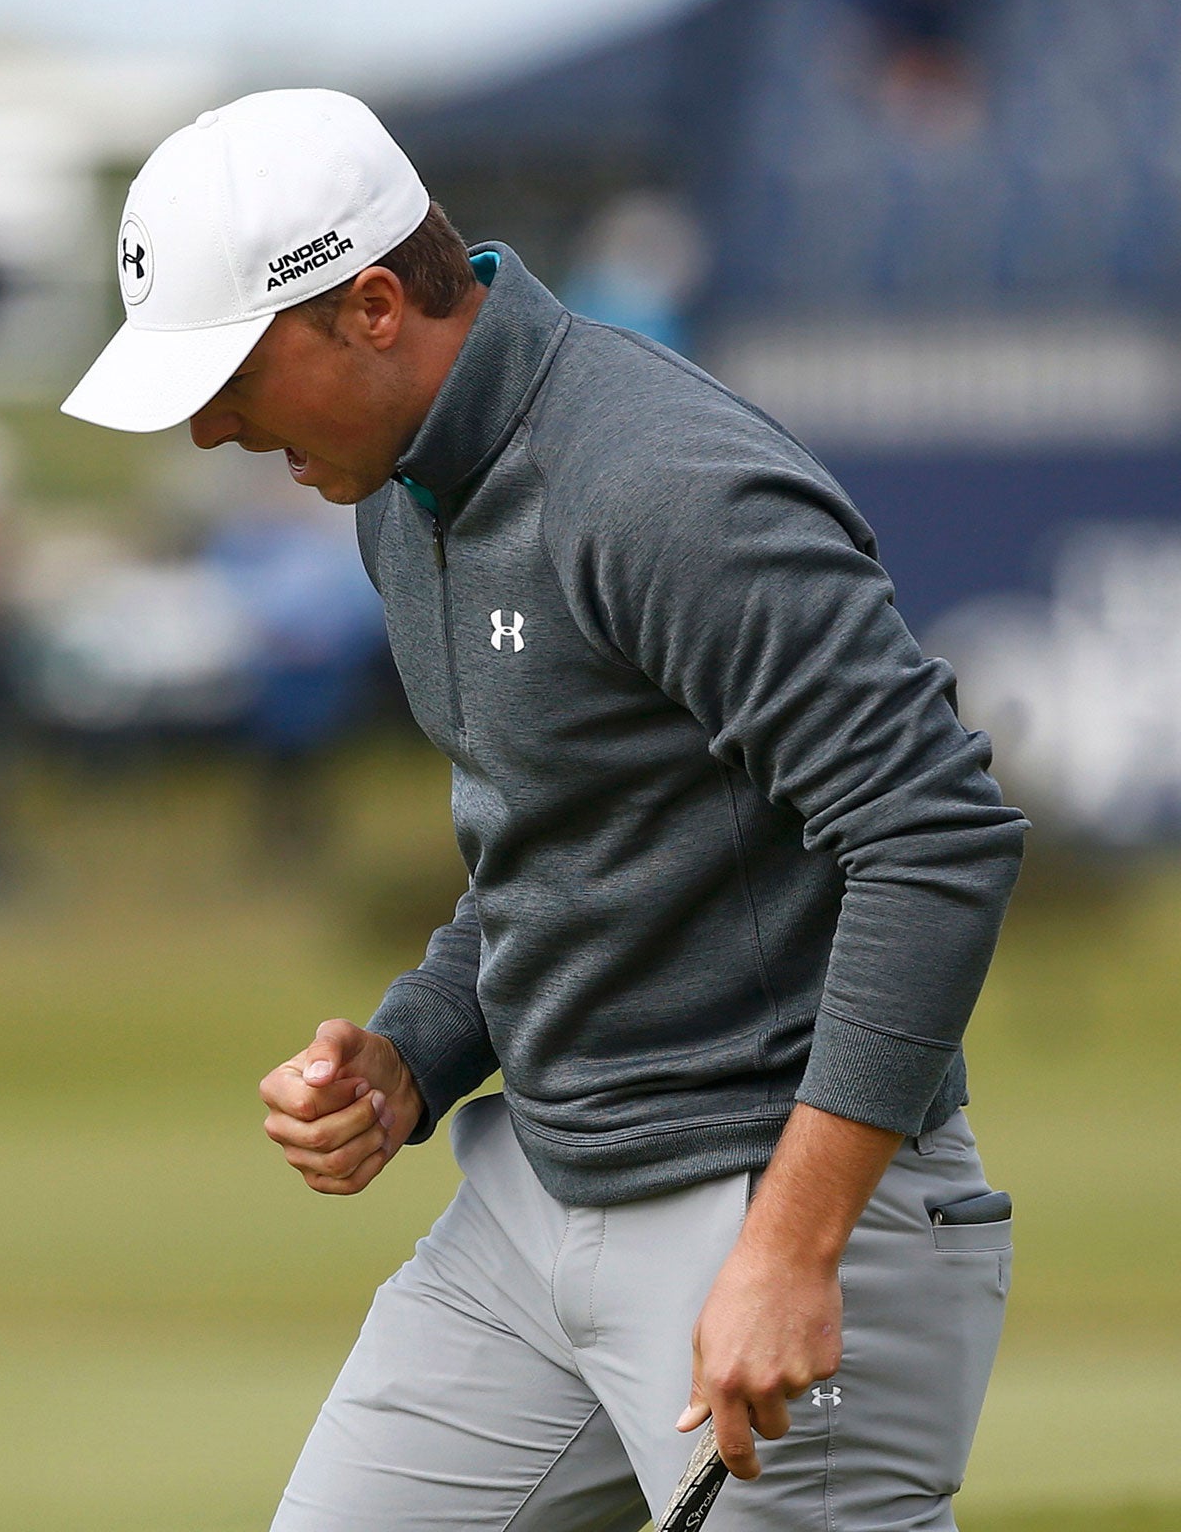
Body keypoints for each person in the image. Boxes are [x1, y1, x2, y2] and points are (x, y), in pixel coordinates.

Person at [60, 90, 1025, 1531]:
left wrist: (793, 1242)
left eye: (234, 375)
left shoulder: (661, 487)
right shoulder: (403, 501)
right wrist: (417, 1053)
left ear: (375, 308)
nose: (208, 430)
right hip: (534, 1201)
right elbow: (561, 852)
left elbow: (931, 829)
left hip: (771, 1203)